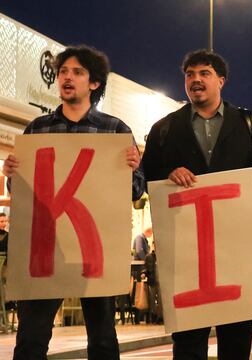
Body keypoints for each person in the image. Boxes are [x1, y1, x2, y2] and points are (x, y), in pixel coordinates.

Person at [1, 45, 145, 359]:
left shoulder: (115, 130)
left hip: (96, 253)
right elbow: (24, 193)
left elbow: (135, 192)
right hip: (46, 251)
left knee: (103, 338)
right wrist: (11, 173)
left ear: (94, 83)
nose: (68, 77)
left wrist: (132, 170)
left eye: (78, 72)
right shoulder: (38, 128)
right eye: (64, 71)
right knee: (31, 338)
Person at [141, 49, 252, 359]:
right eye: (189, 74)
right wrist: (168, 174)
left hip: (235, 251)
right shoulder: (163, 129)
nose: (195, 80)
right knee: (188, 342)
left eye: (204, 73)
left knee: (236, 338)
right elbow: (149, 178)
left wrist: (249, 223)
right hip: (188, 255)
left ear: (221, 81)